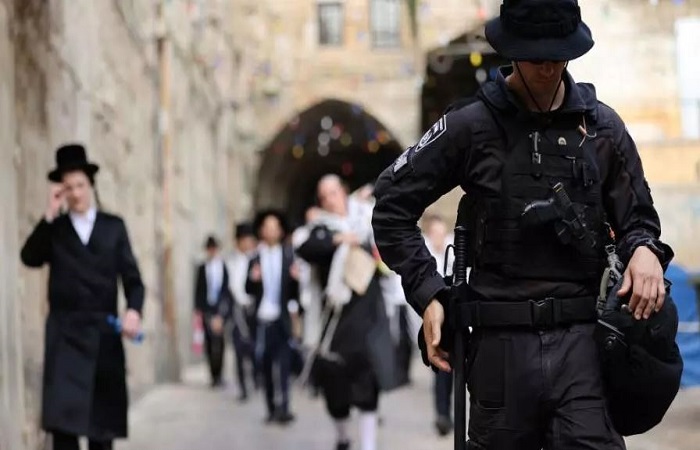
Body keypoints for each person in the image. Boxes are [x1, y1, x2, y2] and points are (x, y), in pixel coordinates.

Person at [371, 1, 674, 448]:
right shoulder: (471, 125)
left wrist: (644, 249)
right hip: (500, 350)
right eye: (536, 58)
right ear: (512, 51)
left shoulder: (602, 128)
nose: (548, 69)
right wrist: (429, 294)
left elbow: (638, 220)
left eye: (558, 57)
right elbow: (391, 206)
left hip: (584, 348)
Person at [20, 143, 145, 450]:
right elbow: (30, 257)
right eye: (68, 188)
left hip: (104, 340)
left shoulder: (113, 227)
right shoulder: (56, 229)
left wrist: (133, 311)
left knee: (101, 432)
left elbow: (133, 280)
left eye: (80, 185)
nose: (75, 193)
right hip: (65, 340)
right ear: (60, 191)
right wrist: (49, 214)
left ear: (90, 185)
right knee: (64, 433)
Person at [296, 174, 394, 450]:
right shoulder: (321, 229)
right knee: (336, 391)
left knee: (367, 384)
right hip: (336, 323)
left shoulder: (367, 219)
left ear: (344, 191)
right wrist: (339, 240)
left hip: (368, 316)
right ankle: (342, 437)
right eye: (324, 196)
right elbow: (306, 249)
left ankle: (368, 445)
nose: (330, 199)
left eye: (334, 192)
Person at [246, 210, 299, 424]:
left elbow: (294, 293)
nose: (271, 231)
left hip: (281, 318)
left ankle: (285, 407)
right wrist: (253, 279)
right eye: (267, 227)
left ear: (280, 231)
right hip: (263, 318)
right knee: (266, 365)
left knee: (284, 365)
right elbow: (248, 289)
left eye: (275, 227)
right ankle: (270, 408)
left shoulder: (288, 256)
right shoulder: (255, 258)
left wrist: (295, 280)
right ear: (261, 231)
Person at [421, 214, 455, 437]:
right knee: (442, 371)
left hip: (458, 317)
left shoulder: (454, 251)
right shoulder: (424, 256)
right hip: (437, 321)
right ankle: (443, 415)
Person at [226, 222, 260, 401]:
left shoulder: (256, 260)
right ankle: (243, 387)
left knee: (254, 347)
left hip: (253, 309)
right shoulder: (230, 261)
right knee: (239, 348)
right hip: (237, 309)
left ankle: (256, 379)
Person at [194, 235, 232, 388]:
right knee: (209, 342)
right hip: (207, 309)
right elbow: (198, 290)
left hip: (219, 308)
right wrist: (199, 310)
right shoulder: (202, 268)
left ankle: (220, 373)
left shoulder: (223, 267)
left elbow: (226, 290)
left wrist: (223, 312)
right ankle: (213, 375)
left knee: (220, 342)